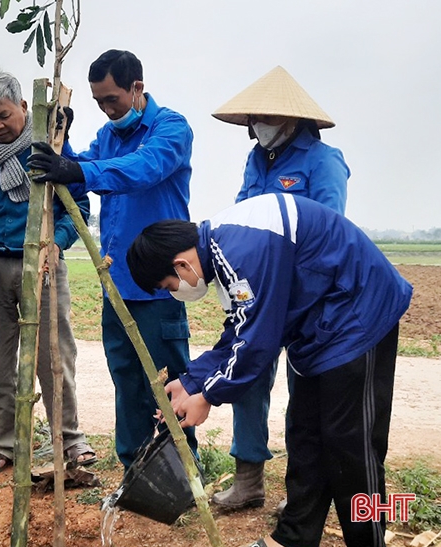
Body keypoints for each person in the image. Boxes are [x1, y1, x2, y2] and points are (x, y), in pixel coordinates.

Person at [126, 193, 412, 547]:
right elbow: (240, 329)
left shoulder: (242, 249)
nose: (177, 292)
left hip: (358, 315)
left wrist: (209, 395)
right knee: (305, 435)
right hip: (319, 328)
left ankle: (369, 541)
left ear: (181, 265)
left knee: (353, 446)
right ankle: (294, 538)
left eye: (170, 286)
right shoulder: (223, 251)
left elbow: (257, 342)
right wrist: (190, 381)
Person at [28, 49, 197, 469]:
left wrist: (80, 171)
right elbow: (82, 170)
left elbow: (142, 168)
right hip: (116, 282)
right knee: (126, 380)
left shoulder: (170, 128)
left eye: (112, 99)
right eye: (98, 102)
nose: (106, 109)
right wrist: (62, 150)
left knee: (168, 385)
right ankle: (133, 471)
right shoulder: (108, 137)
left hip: (160, 284)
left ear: (137, 88)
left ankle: (180, 474)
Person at [207, 65, 352, 509]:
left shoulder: (324, 161)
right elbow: (243, 216)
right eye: (252, 119)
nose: (257, 126)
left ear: (291, 118)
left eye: (264, 117)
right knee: (249, 379)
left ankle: (302, 491)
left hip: (310, 296)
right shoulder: (256, 159)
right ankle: (248, 479)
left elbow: (329, 230)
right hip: (262, 290)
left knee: (305, 393)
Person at [0, 71, 96, 477]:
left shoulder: (52, 150)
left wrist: (56, 243)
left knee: (55, 357)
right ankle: (6, 445)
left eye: (3, 115)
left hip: (44, 265)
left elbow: (79, 207)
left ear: (24, 107)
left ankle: (70, 441)